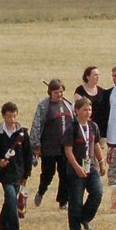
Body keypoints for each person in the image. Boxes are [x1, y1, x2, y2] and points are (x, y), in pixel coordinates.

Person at [0, 101, 32, 230]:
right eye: (9, 116)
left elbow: (27, 155)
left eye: (14, 116)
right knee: (11, 198)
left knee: (9, 201)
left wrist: (26, 174)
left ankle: (2, 225)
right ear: (3, 116)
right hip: (5, 174)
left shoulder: (23, 134)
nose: (12, 119)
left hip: (18, 172)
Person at [63, 96, 103, 230]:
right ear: (77, 111)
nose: (88, 112)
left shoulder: (93, 126)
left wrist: (101, 162)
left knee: (97, 192)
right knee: (76, 199)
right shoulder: (72, 128)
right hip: (76, 169)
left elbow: (96, 144)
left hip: (91, 167)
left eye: (90, 109)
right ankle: (75, 228)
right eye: (85, 109)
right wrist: (77, 167)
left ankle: (85, 218)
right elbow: (68, 151)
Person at [31, 79, 73, 209]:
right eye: (56, 92)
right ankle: (41, 191)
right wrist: (36, 146)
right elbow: (36, 126)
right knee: (48, 174)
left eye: (61, 92)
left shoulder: (68, 104)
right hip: (49, 147)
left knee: (65, 174)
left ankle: (63, 201)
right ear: (50, 92)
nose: (59, 95)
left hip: (64, 147)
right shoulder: (44, 106)